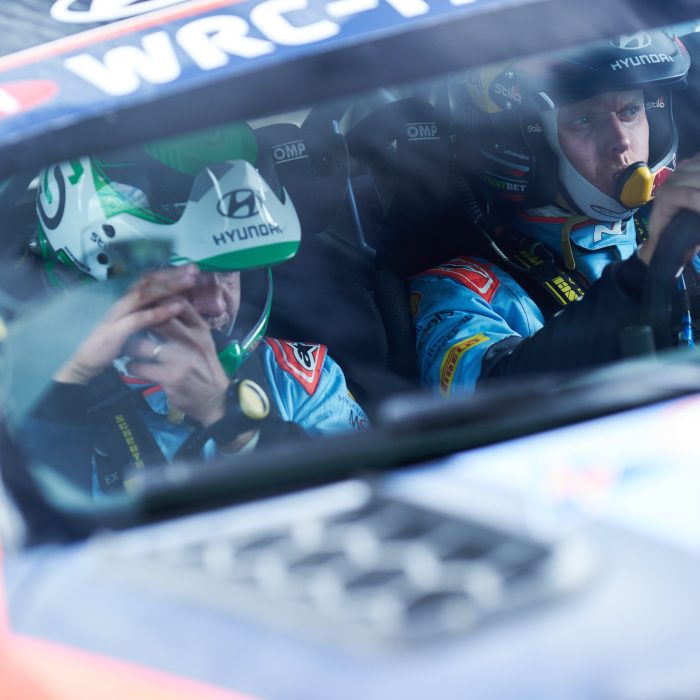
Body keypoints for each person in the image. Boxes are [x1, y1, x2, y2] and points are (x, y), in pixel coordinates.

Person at [20, 122, 368, 494]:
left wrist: (235, 422)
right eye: (181, 275)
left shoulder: (298, 382)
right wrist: (63, 395)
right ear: (100, 278)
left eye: (229, 270)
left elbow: (371, 497)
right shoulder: (21, 398)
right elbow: (33, 521)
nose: (215, 303)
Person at [410, 29, 700, 396]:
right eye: (584, 120)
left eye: (629, 111)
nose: (621, 140)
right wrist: (646, 273)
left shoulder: (686, 227)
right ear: (524, 145)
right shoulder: (459, 290)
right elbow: (492, 399)